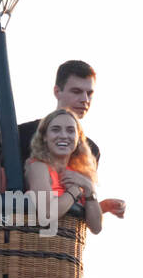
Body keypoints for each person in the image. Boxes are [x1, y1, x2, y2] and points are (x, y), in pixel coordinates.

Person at [17, 59, 126, 220]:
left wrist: (103, 206)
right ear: (57, 91)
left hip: (62, 239)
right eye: (76, 91)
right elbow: (4, 192)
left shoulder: (91, 150)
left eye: (89, 94)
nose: (85, 100)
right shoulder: (23, 133)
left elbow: (78, 207)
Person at [24, 108, 102, 235]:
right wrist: (75, 190)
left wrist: (89, 188)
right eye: (56, 129)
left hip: (66, 249)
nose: (64, 135)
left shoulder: (80, 175)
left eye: (70, 131)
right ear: (44, 137)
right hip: (39, 244)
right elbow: (47, 213)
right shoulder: (38, 167)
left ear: (78, 139)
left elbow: (96, 227)